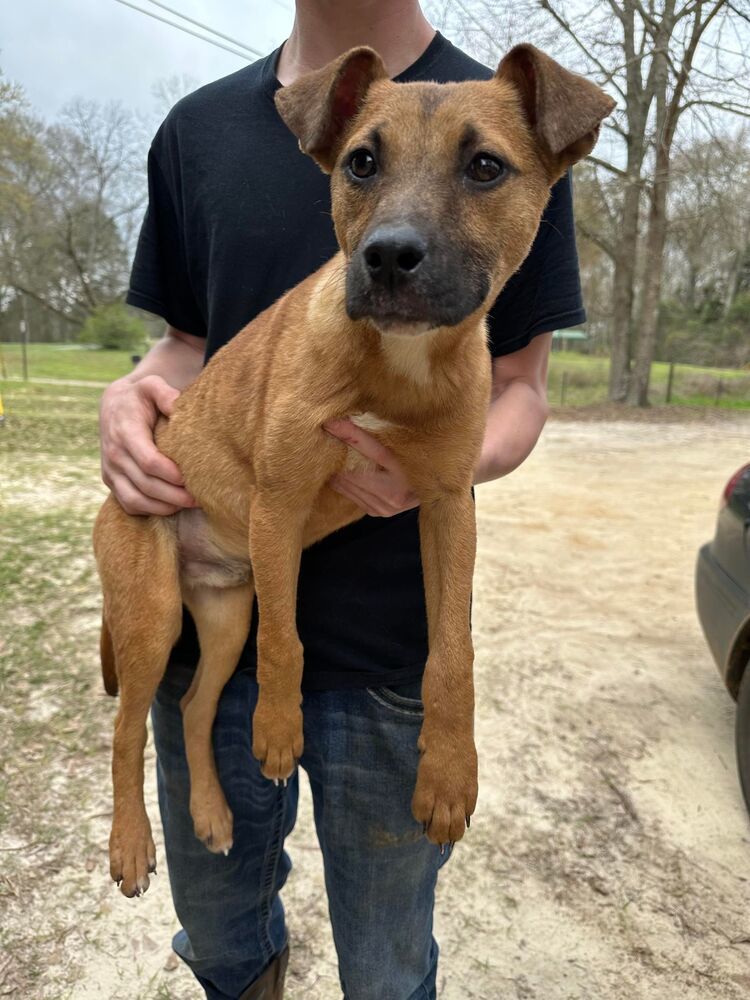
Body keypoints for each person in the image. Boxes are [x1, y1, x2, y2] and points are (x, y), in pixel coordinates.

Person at [99, 2, 586, 997]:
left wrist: (449, 464)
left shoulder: (517, 111)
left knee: (389, 966)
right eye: (363, 167)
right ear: (331, 148)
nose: (401, 229)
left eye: (480, 173)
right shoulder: (199, 130)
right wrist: (130, 390)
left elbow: (525, 384)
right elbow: (186, 342)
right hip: (221, 634)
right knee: (228, 947)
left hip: (387, 660)